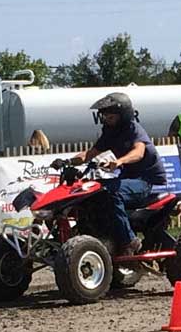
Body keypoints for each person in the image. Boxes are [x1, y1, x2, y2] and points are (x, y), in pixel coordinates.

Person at [51, 92, 167, 256]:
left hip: (145, 181)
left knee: (111, 193)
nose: (106, 120)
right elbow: (90, 154)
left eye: (110, 117)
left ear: (123, 115)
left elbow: (139, 152)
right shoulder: (110, 132)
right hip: (126, 179)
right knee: (91, 193)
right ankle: (98, 236)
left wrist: (120, 161)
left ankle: (130, 241)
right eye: (105, 117)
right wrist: (67, 162)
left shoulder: (133, 129)